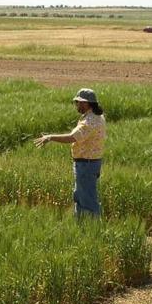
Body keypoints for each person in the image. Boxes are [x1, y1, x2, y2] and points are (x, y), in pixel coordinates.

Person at [34, 88, 106, 218]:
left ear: (86, 103)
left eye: (78, 102)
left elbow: (72, 137)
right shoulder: (97, 117)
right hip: (88, 164)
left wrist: (50, 137)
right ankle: (83, 226)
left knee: (87, 200)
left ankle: (92, 229)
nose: (76, 105)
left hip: (86, 165)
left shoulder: (89, 121)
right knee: (81, 196)